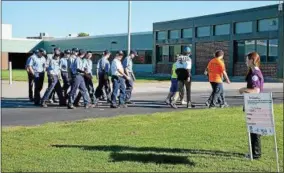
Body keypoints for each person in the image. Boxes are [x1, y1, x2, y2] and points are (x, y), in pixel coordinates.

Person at [239, 52, 264, 160]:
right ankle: (254, 152)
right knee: (253, 130)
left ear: (252, 60)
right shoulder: (253, 72)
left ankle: (255, 154)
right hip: (253, 104)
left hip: (254, 104)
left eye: (247, 59)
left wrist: (243, 90)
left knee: (255, 131)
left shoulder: (255, 74)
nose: (245, 62)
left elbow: (256, 90)